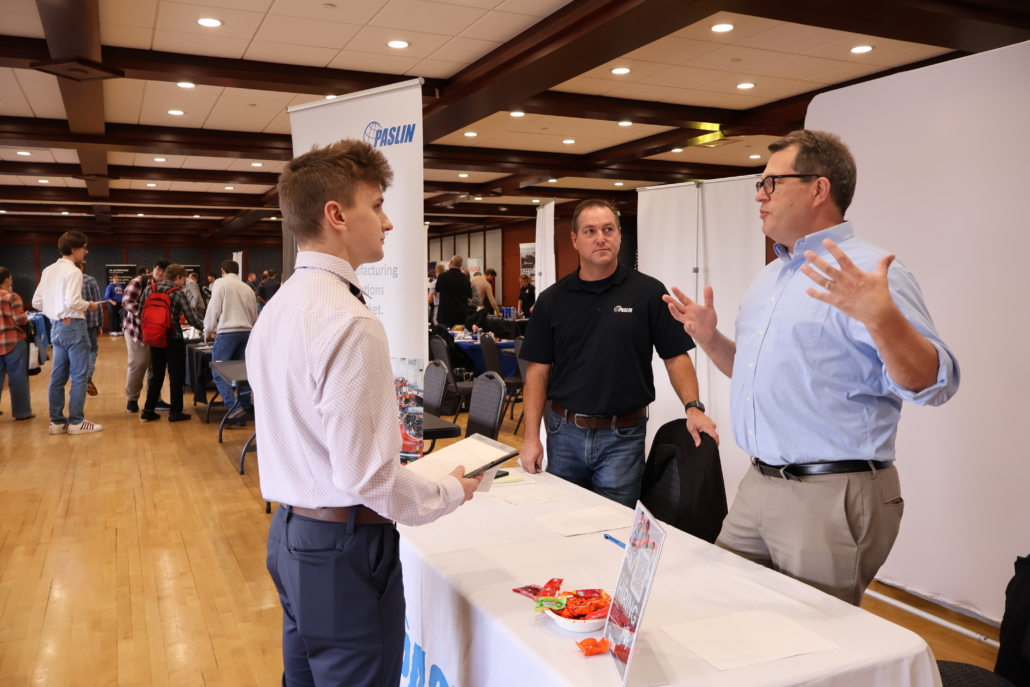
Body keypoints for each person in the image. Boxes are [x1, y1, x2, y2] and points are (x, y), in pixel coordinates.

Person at [663, 130, 960, 605]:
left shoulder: (872, 274)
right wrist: (710, 339)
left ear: (819, 188)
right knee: (718, 609)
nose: (759, 196)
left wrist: (882, 319)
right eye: (759, 184)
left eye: (771, 183)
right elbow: (755, 374)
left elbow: (934, 383)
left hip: (830, 494)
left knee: (811, 641)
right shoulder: (770, 279)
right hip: (758, 485)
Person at [249, 138, 483, 686]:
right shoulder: (349, 321)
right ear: (336, 215)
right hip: (343, 549)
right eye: (376, 206)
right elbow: (366, 477)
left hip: (291, 535)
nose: (388, 222)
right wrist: (449, 491)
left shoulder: (278, 308)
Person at [519, 199, 717, 508]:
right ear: (575, 239)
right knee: (562, 519)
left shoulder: (648, 293)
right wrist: (532, 437)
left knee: (617, 526)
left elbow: (675, 356)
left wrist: (693, 407)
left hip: (623, 437)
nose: (601, 238)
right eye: (590, 231)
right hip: (564, 433)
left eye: (608, 229)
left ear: (620, 236)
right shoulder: (551, 300)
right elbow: (537, 372)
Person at [31, 231, 103, 435]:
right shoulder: (74, 271)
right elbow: (73, 302)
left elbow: (36, 302)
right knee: (79, 377)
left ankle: (57, 422)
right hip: (74, 327)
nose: (86, 252)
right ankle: (76, 422)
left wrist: (55, 311)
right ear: (74, 249)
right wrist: (89, 305)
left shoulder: (48, 270)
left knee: (57, 377)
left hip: (56, 327)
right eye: (84, 248)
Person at [139, 263, 205, 423]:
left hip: (154, 337)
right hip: (172, 337)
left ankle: (148, 410)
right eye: (183, 279)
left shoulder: (150, 289)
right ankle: (175, 412)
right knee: (176, 375)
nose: (184, 283)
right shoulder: (177, 292)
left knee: (157, 374)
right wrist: (208, 328)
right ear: (177, 277)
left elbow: (141, 312)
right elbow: (191, 318)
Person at [203, 259, 258, 425]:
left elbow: (213, 308)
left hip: (227, 332)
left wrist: (207, 330)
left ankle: (234, 409)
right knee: (243, 374)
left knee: (218, 372)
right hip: (247, 332)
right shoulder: (247, 288)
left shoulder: (220, 283)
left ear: (222, 271)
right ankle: (244, 408)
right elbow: (254, 313)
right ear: (238, 272)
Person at [122, 262, 171, 414]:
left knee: (155, 366)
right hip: (137, 330)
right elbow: (127, 301)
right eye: (158, 269)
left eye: (164, 271)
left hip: (157, 331)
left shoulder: (167, 285)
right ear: (153, 269)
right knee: (139, 363)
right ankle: (132, 400)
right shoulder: (139, 281)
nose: (160, 273)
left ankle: (155, 399)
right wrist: (147, 313)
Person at [0, 267, 33, 421]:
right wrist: (25, 317)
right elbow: (19, 320)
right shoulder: (12, 296)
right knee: (18, 378)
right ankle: (22, 412)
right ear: (7, 279)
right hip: (13, 341)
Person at [77, 261, 102, 397]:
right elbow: (97, 303)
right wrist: (100, 324)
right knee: (92, 350)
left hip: (71, 323)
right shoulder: (90, 280)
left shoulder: (63, 280)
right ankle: (88, 376)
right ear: (82, 267)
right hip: (90, 322)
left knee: (76, 353)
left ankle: (78, 381)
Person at [433, 256, 472, 329]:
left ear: (450, 262)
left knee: (444, 334)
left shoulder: (442, 276)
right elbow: (469, 294)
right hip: (460, 315)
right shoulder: (465, 278)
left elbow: (437, 289)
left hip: (445, 315)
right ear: (460, 265)